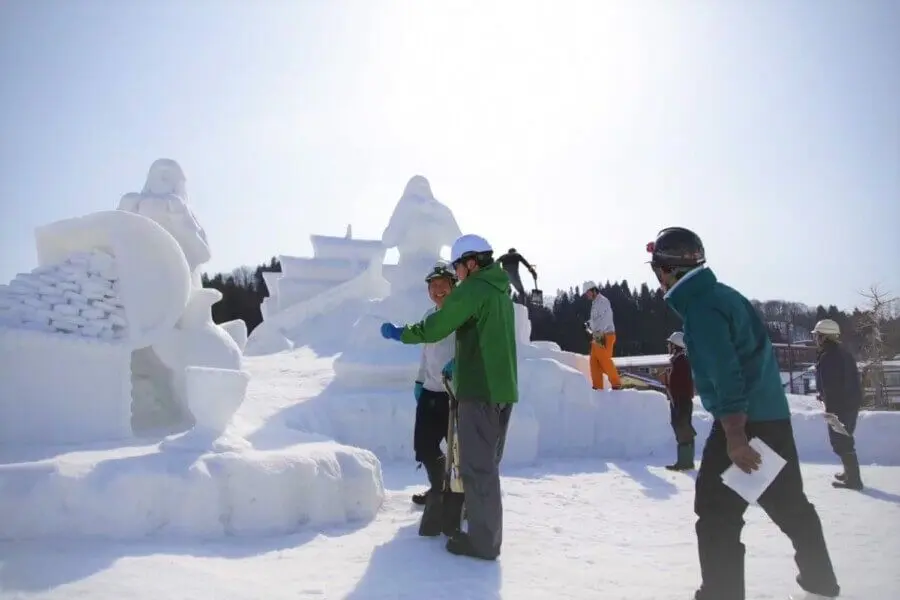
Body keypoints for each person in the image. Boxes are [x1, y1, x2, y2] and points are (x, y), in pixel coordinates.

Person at [646, 226, 840, 600]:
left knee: (716, 515)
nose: (657, 279)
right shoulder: (724, 296)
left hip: (744, 425)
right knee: (790, 506)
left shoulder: (701, 308)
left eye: (657, 269)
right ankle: (821, 581)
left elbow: (725, 370)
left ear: (668, 270)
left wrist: (735, 434)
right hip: (772, 420)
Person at [380, 233, 518, 560]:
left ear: (471, 263)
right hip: (501, 389)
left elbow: (437, 326)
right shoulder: (500, 290)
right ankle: (481, 530)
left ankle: (483, 543)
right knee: (483, 464)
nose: (455, 276)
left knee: (477, 467)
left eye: (457, 268)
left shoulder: (474, 288)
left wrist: (403, 333)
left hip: (479, 390)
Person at [410, 262, 457, 507]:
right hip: (430, 392)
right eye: (433, 285)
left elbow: (471, 349)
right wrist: (420, 380)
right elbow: (425, 352)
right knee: (425, 447)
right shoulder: (429, 316)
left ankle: (463, 497)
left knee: (460, 451)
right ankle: (438, 488)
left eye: (443, 284)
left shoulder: (461, 315)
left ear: (453, 285)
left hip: (455, 395)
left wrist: (458, 364)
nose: (437, 289)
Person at [812, 318, 864, 491]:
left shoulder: (829, 356)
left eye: (817, 335)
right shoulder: (842, 353)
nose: (816, 339)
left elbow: (831, 385)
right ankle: (849, 473)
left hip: (839, 406)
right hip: (849, 403)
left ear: (824, 337)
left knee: (842, 441)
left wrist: (830, 410)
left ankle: (854, 480)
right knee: (845, 437)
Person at [662, 331, 696, 471]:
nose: (668, 346)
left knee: (683, 430)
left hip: (681, 402)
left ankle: (685, 462)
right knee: (683, 430)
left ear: (675, 346)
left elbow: (680, 385)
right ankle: (685, 461)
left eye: (670, 344)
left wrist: (667, 382)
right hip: (681, 401)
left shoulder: (680, 362)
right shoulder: (679, 361)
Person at [581, 281, 622, 390]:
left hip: (605, 335)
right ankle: (597, 387)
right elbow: (596, 320)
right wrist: (588, 324)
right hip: (598, 335)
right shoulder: (595, 303)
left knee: (603, 359)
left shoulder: (603, 301)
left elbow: (606, 319)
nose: (587, 295)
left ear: (593, 290)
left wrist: (597, 334)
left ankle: (616, 383)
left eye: (587, 293)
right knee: (594, 361)